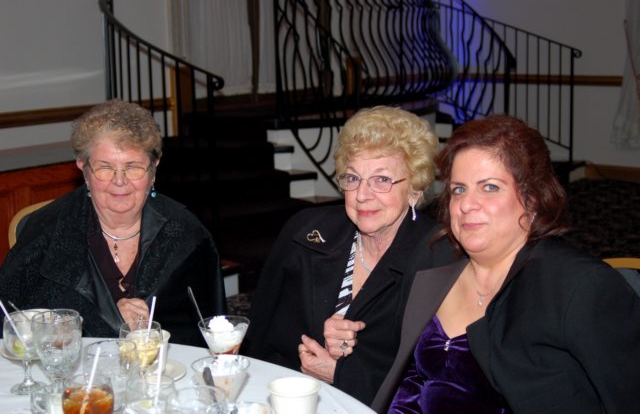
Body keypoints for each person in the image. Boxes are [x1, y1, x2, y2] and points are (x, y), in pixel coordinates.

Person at [372, 115, 640, 413]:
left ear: (533, 198)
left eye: (489, 187)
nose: (466, 204)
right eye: (459, 189)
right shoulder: (434, 257)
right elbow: (393, 362)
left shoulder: (579, 288)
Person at [243, 106, 456, 404]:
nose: (362, 195)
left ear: (414, 190)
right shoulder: (305, 233)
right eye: (353, 178)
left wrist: (342, 373)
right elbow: (260, 335)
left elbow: (443, 381)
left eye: (382, 180)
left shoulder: (439, 257)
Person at [0, 99, 226, 345]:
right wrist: (110, 323)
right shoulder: (49, 232)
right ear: (84, 168)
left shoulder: (186, 235)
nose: (120, 181)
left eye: (133, 167)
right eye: (105, 167)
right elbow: (13, 323)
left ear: (153, 168)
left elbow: (208, 333)